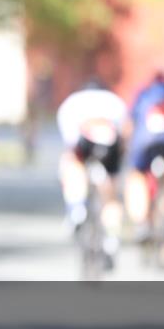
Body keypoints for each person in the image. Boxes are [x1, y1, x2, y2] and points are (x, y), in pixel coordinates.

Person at [55, 78, 128, 268]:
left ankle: (76, 207)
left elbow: (69, 142)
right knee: (111, 197)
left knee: (72, 165)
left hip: (84, 140)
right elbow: (125, 134)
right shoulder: (115, 102)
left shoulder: (73, 102)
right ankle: (112, 238)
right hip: (110, 144)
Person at [124, 71, 164, 242]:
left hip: (145, 142)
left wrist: (128, 145)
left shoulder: (143, 94)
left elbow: (132, 123)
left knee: (137, 175)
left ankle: (141, 222)